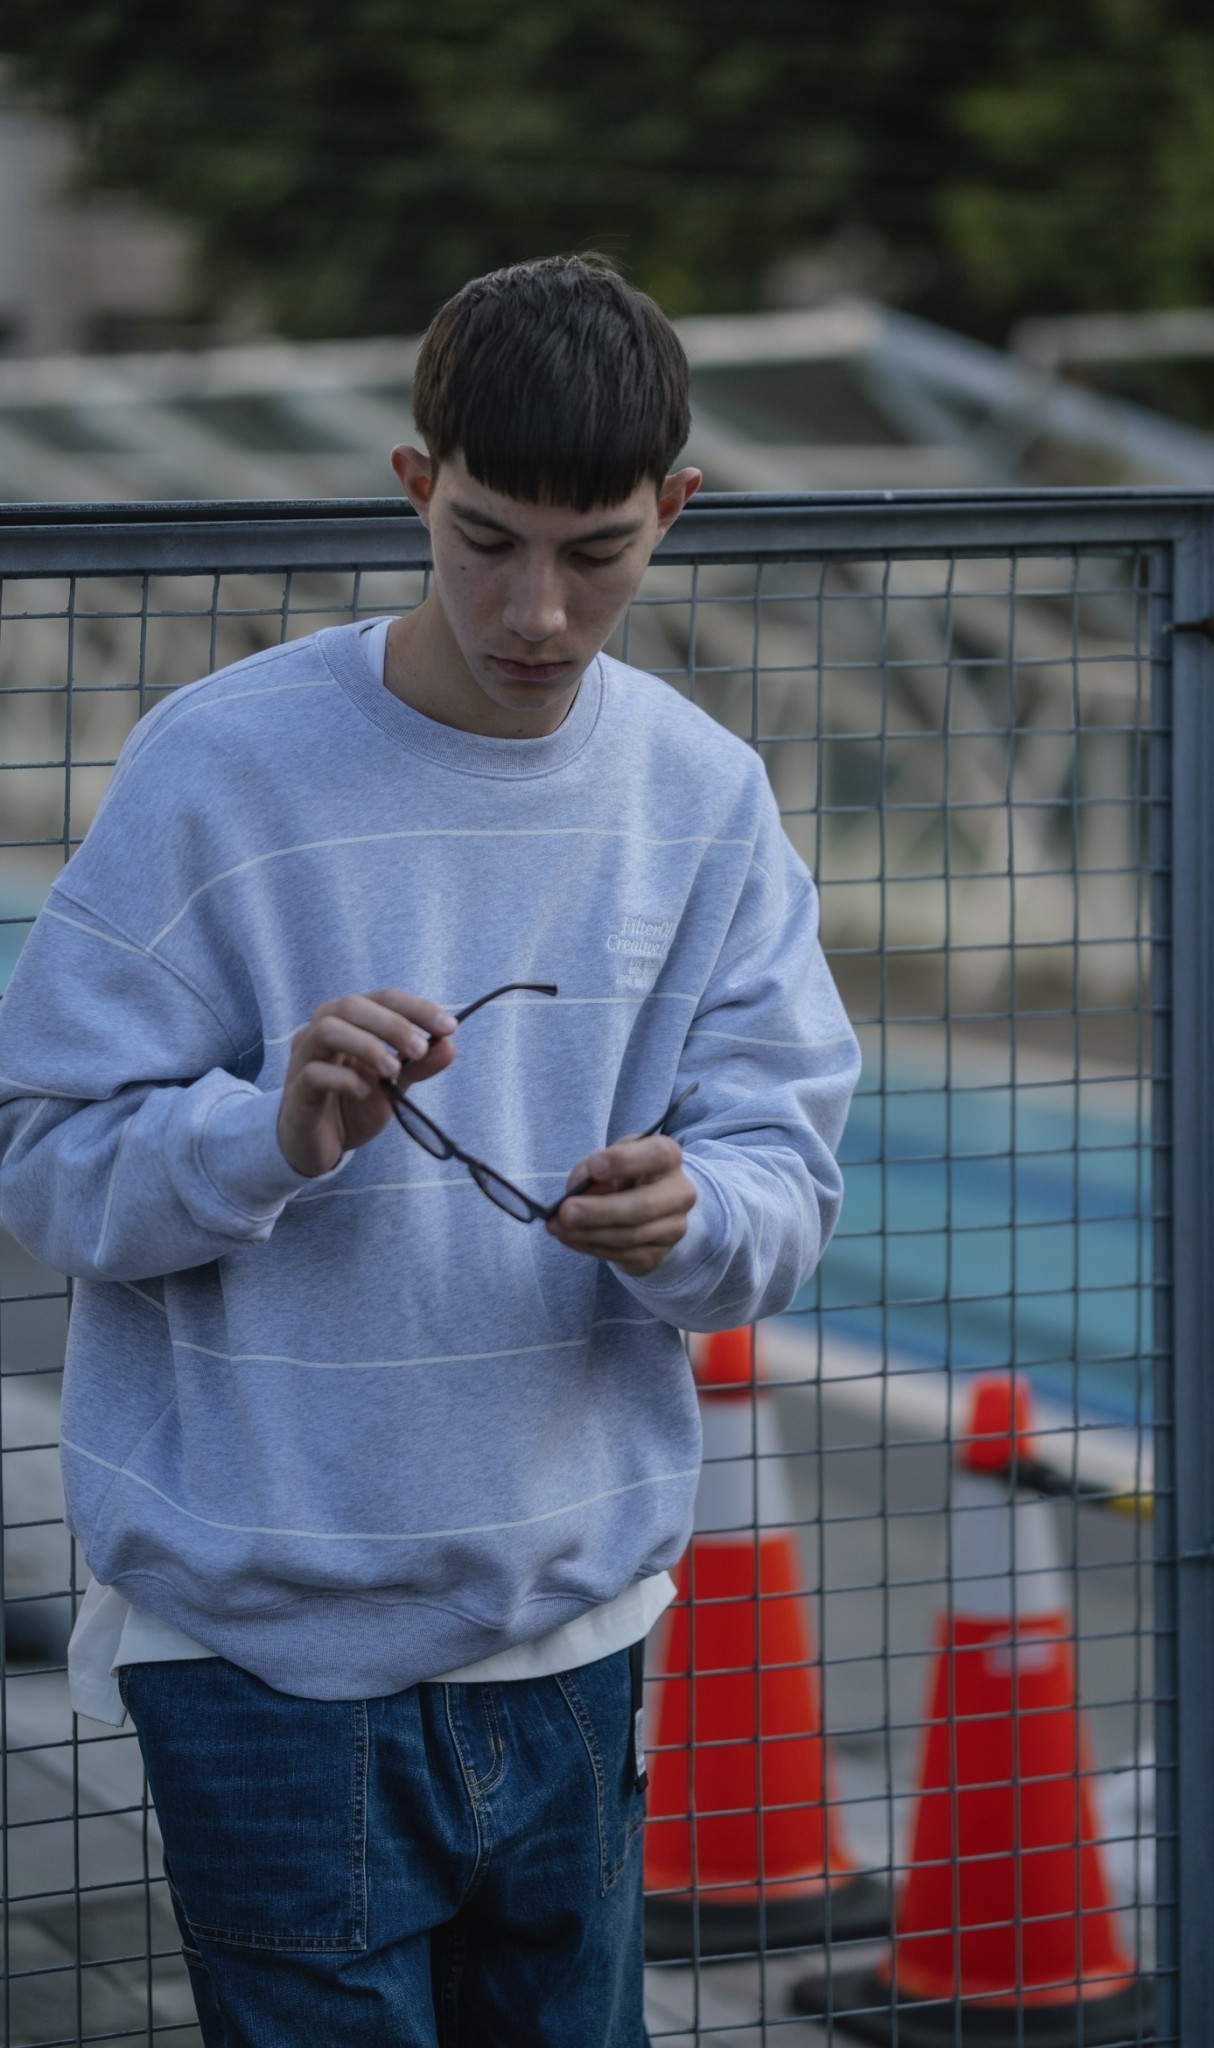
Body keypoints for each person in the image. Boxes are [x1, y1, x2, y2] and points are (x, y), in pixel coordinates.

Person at [0, 254, 859, 2046]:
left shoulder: (702, 797)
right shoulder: (218, 767)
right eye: (485, 540)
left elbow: (783, 1184)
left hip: (574, 1639)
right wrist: (265, 1132)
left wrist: (696, 1216)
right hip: (259, 1657)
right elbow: (42, 1164)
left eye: (595, 552)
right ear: (414, 487)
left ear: (674, 510)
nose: (536, 609)